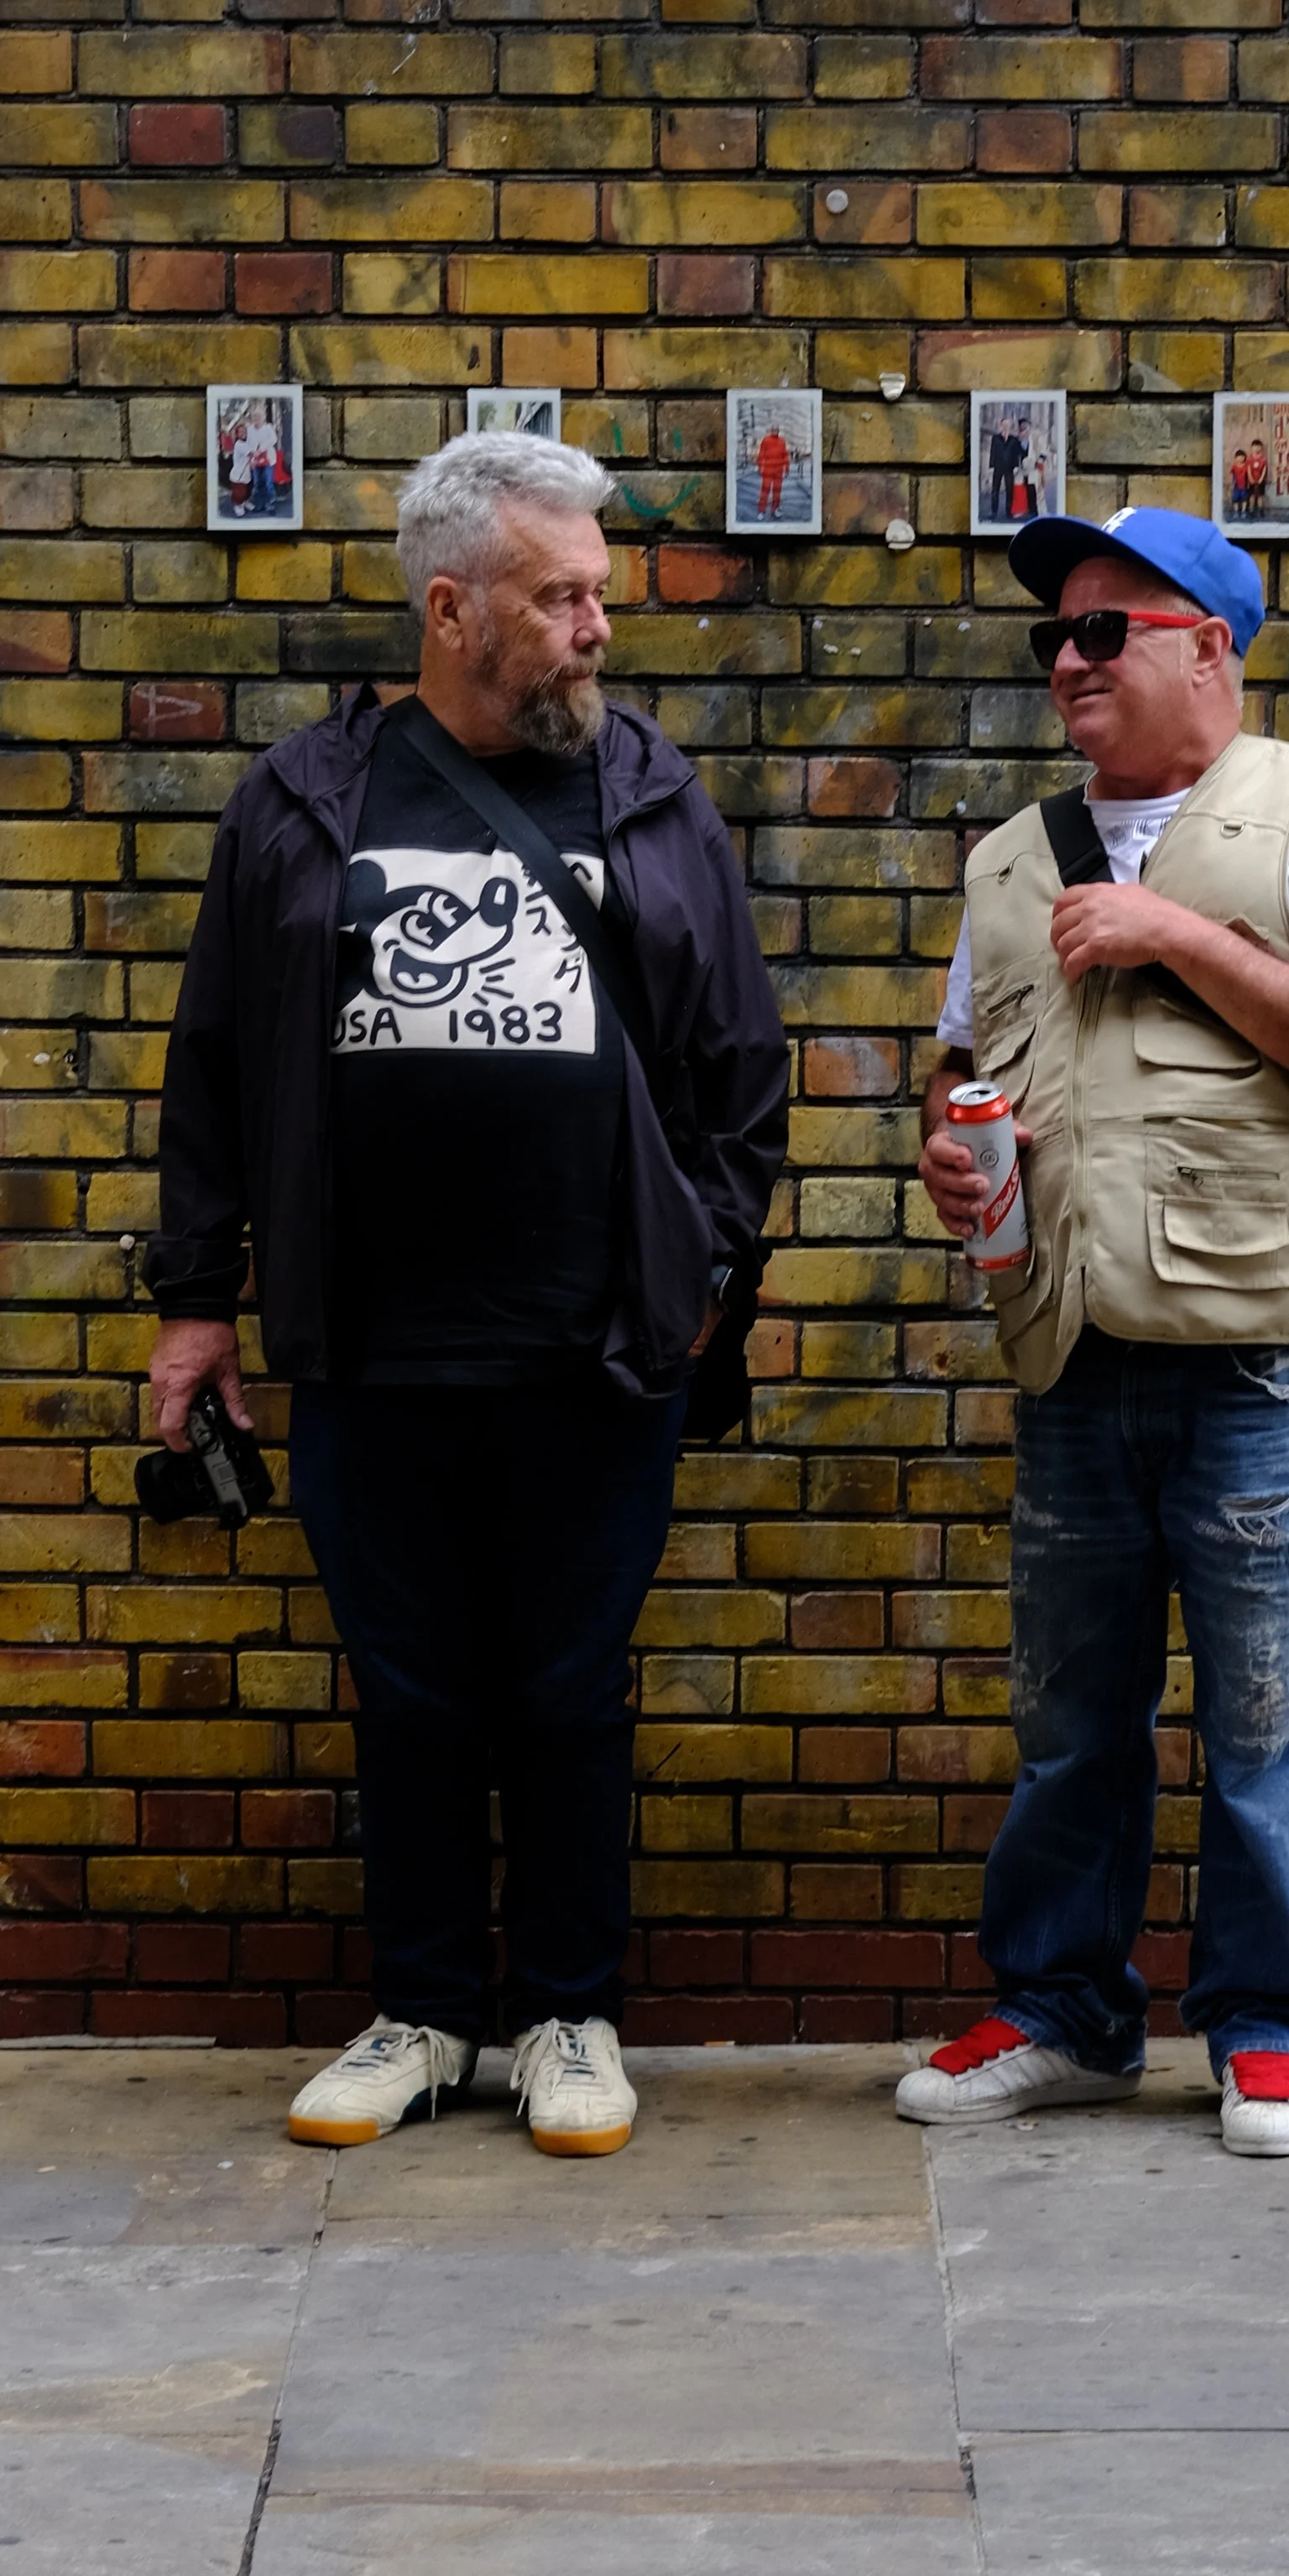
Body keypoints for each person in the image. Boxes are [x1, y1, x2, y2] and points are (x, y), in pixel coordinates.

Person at [147, 433, 788, 2158]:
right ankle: (424, 2009)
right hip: (370, 1340)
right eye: (559, 595)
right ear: (453, 608)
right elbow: (209, 1065)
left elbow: (740, 1066)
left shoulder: (651, 795)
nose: (595, 625)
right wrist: (196, 1302)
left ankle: (567, 2010)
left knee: (571, 1684)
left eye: (597, 592)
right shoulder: (303, 801)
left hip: (596, 1338)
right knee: (411, 1686)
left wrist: (706, 1276)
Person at [896, 503, 1289, 2161]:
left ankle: (1264, 2025)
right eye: (1053, 635)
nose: (1065, 661)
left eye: (1103, 629)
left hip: (1249, 1353)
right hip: (1065, 1346)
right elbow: (957, 1059)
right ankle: (1062, 2007)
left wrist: (1170, 930)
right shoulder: (1006, 857)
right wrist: (947, 1138)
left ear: (1209, 643)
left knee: (1262, 1714)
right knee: (1070, 1715)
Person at [754, 417, 791, 522]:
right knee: (765, 491)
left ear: (778, 431)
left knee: (777, 492)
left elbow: (785, 456)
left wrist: (787, 469)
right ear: (770, 430)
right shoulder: (765, 440)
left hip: (778, 471)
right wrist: (760, 467)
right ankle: (761, 510)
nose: (775, 431)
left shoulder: (782, 441)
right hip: (768, 471)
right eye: (773, 429)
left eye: (776, 430)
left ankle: (775, 509)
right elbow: (761, 455)